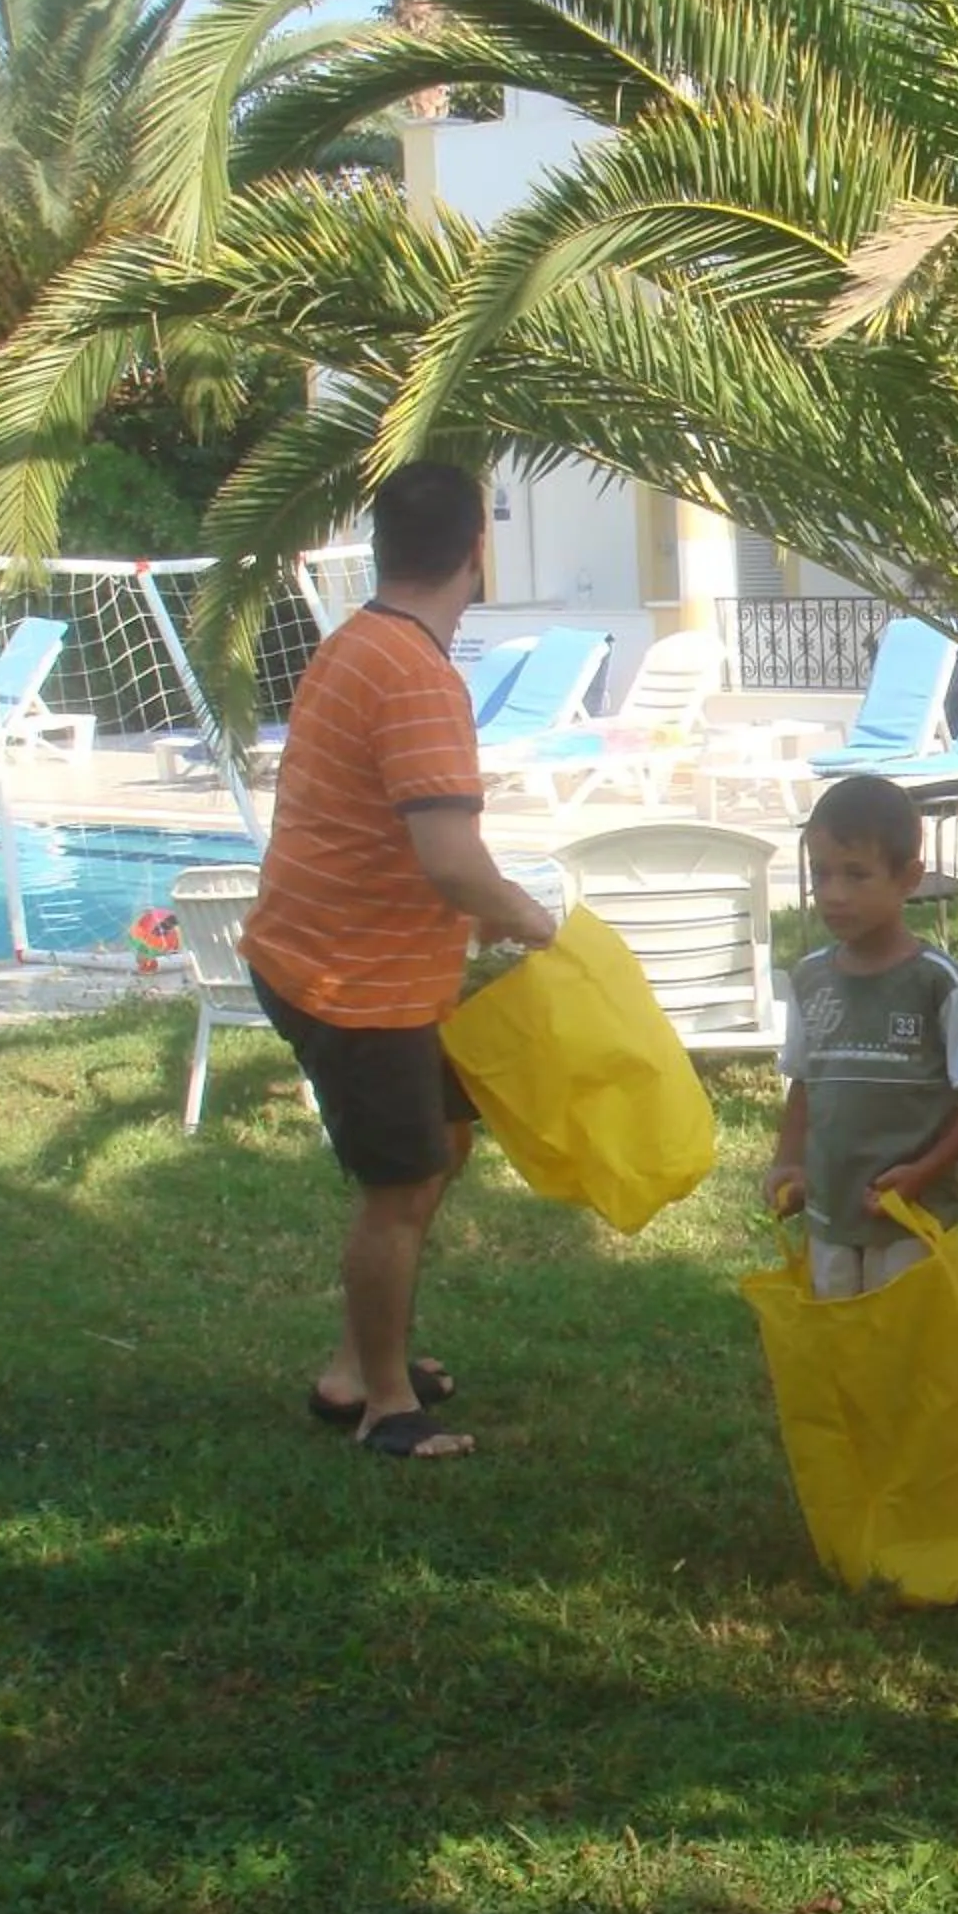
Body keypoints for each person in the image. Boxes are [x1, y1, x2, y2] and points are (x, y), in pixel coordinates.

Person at [244, 461, 558, 1460]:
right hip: (354, 982)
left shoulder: (356, 644)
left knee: (443, 1149)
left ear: (382, 550)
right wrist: (537, 924)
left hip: (342, 960)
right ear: (478, 550)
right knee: (400, 1190)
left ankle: (357, 1360)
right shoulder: (418, 676)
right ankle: (381, 1405)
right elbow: (452, 864)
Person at [763, 775, 958, 1298]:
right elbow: (806, 1083)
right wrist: (788, 1161)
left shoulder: (936, 981)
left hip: (911, 1214)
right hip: (831, 1209)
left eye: (857, 874)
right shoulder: (810, 978)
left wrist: (925, 1171)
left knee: (909, 1346)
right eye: (821, 873)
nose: (833, 894)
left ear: (909, 878)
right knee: (842, 1342)